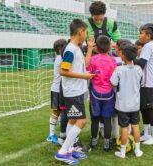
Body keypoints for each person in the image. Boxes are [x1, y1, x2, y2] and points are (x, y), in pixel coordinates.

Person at [55, 19, 95, 165]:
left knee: (72, 120)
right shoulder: (71, 49)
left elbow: (85, 64)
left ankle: (70, 148)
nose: (87, 35)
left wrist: (89, 48)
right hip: (73, 91)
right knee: (82, 121)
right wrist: (84, 76)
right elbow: (63, 71)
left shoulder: (76, 48)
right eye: (86, 32)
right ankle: (63, 152)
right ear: (80, 32)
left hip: (77, 90)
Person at [110, 43, 143, 158]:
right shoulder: (139, 69)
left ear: (123, 56)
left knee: (124, 128)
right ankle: (138, 151)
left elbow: (113, 82)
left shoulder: (118, 69)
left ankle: (122, 152)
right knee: (135, 126)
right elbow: (141, 83)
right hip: (135, 104)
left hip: (122, 105)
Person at [87, 35, 117, 151]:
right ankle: (106, 143)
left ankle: (94, 140)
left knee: (95, 119)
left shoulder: (93, 59)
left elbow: (87, 70)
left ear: (97, 48)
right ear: (109, 47)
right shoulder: (113, 60)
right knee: (107, 119)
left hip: (95, 93)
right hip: (109, 93)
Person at [134, 23, 153, 145]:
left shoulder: (148, 46)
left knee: (149, 110)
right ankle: (146, 133)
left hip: (149, 84)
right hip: (145, 84)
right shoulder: (147, 46)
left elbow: (141, 64)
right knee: (143, 109)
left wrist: (127, 56)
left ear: (148, 36)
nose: (140, 35)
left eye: (142, 33)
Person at [47, 39, 68, 145]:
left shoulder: (60, 57)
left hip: (61, 89)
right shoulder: (60, 58)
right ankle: (51, 135)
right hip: (57, 90)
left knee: (62, 112)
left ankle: (62, 134)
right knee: (57, 112)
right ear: (60, 50)